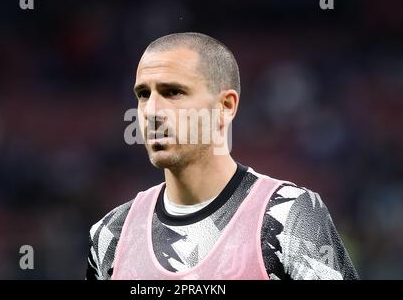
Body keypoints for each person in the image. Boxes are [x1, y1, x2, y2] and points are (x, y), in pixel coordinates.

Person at [86, 32, 359, 280]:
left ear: (225, 106)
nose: (152, 111)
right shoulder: (111, 234)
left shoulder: (289, 216)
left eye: (173, 92)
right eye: (143, 94)